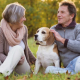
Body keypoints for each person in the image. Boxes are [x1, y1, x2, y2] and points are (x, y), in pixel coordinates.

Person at [0, 2, 36, 76]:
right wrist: (13, 60)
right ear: (14, 18)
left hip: (21, 67)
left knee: (18, 48)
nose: (25, 19)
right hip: (4, 64)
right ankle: (5, 72)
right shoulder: (1, 31)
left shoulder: (24, 29)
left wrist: (37, 61)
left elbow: (26, 48)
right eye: (23, 16)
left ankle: (2, 73)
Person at [45, 1, 80, 75]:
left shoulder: (78, 28)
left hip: (78, 60)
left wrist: (61, 39)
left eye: (62, 12)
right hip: (68, 66)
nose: (58, 15)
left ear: (71, 15)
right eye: (58, 12)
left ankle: (72, 72)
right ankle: (71, 72)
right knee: (48, 69)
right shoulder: (53, 29)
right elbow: (47, 49)